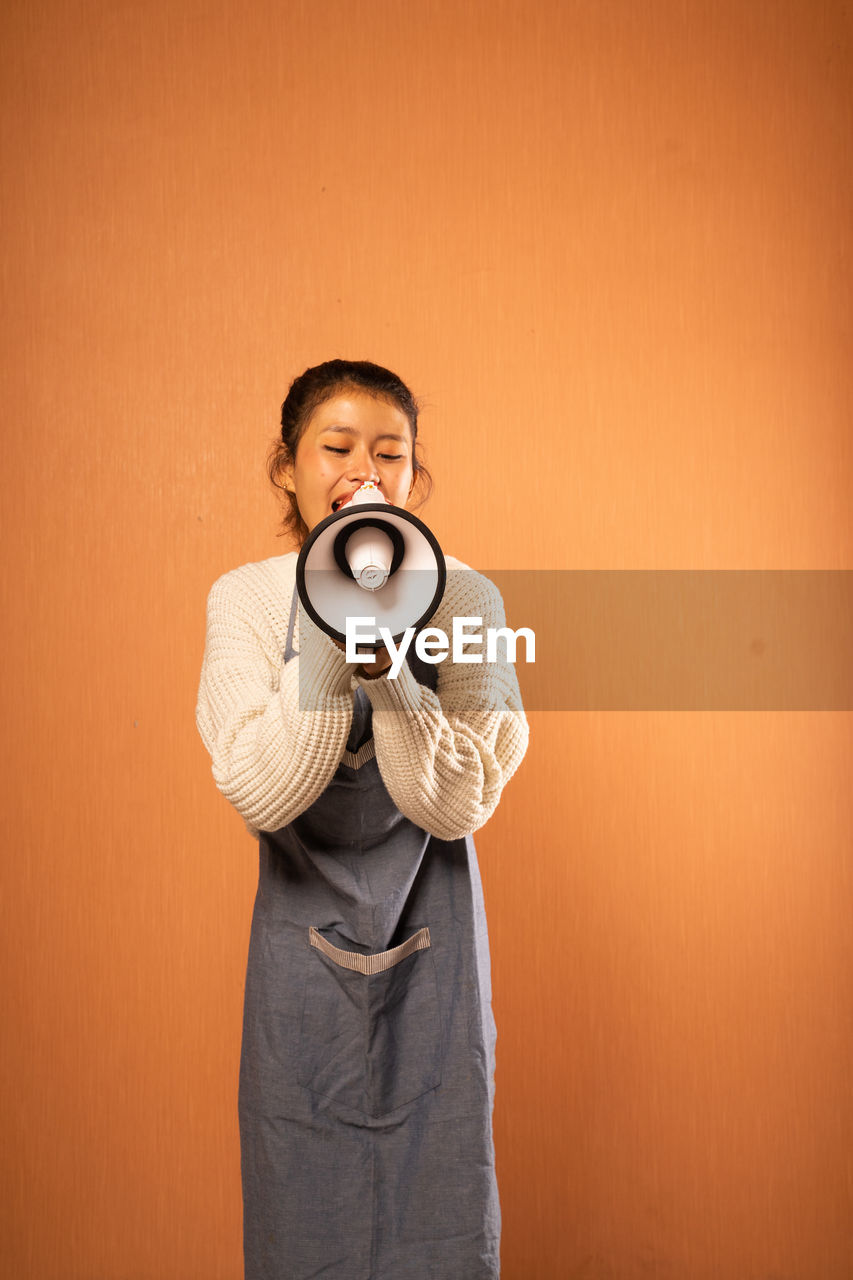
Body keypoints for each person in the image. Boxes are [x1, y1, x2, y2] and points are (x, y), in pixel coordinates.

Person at [196, 359, 529, 1280]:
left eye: (390, 454)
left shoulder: (469, 601)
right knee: (304, 1217)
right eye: (336, 449)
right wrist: (327, 625)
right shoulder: (245, 600)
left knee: (441, 1214)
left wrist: (388, 671)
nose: (363, 473)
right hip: (299, 956)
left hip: (437, 950)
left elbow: (456, 803)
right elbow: (263, 789)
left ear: (414, 477)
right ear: (287, 468)